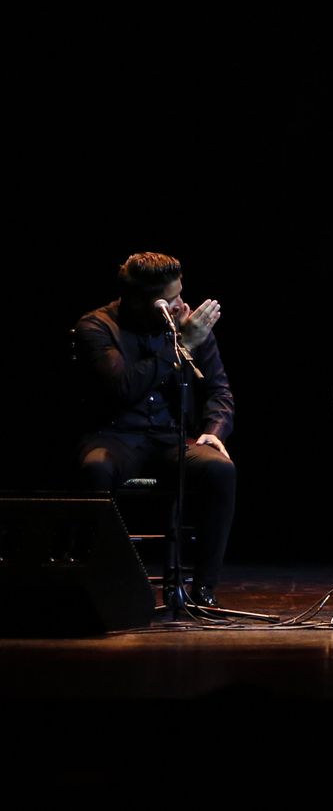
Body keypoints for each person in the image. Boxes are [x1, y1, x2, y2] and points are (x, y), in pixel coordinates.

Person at [75, 252, 235, 607]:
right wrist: (180, 346)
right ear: (141, 301)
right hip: (116, 435)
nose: (180, 305)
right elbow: (123, 387)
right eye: (170, 298)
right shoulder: (96, 327)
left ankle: (204, 590)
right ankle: (100, 584)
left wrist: (215, 430)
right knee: (96, 469)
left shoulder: (187, 328)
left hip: (169, 437)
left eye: (180, 294)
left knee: (220, 470)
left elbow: (219, 390)